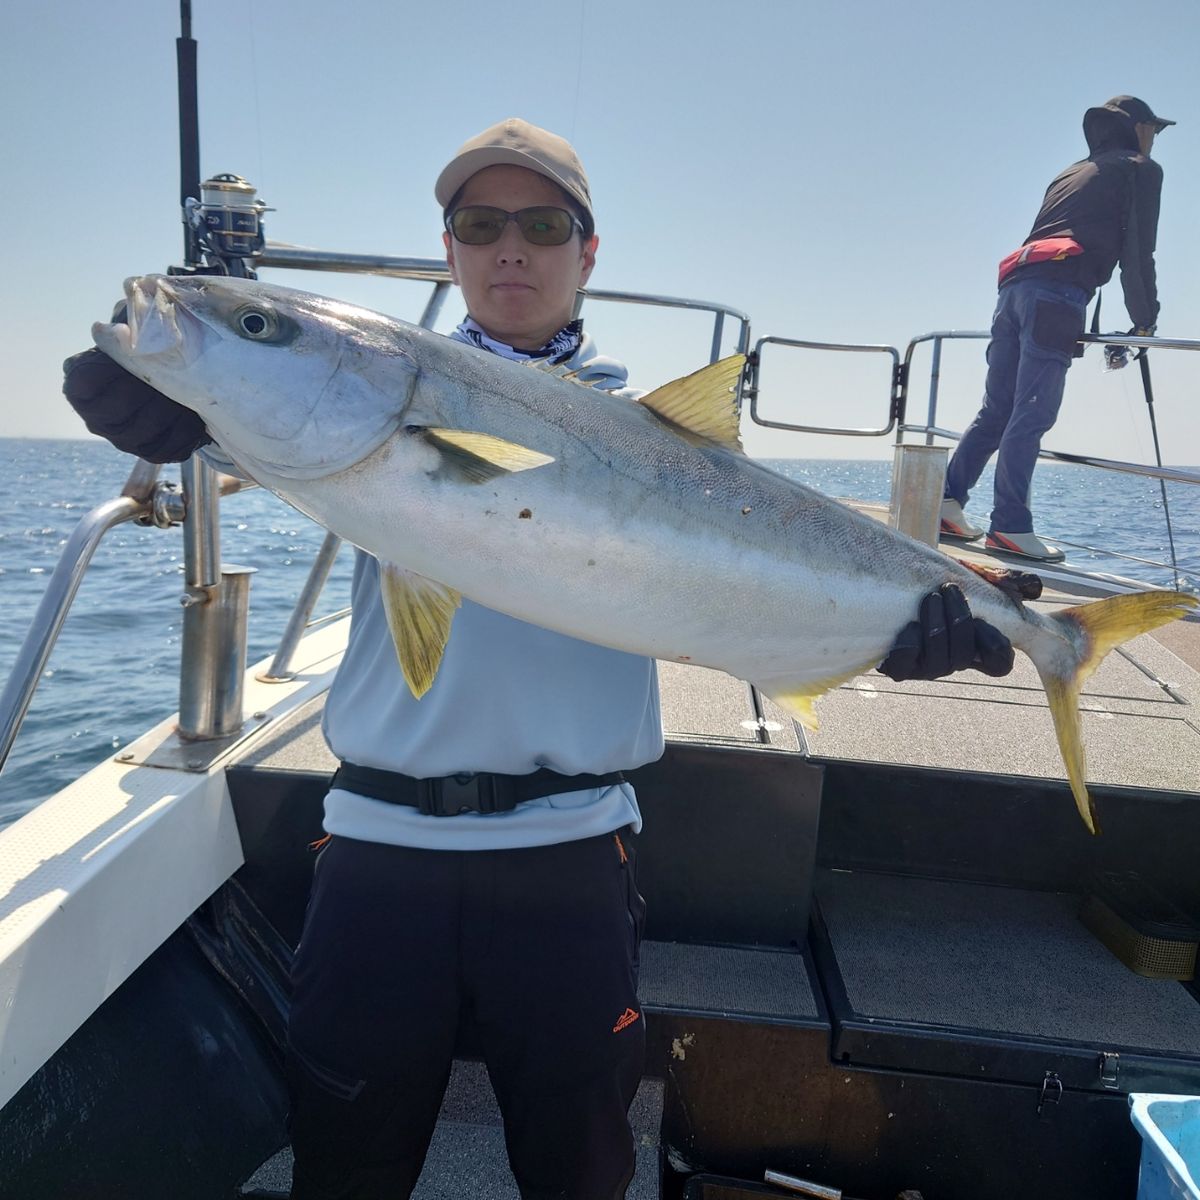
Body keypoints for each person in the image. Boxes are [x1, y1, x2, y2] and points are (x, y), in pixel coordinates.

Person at [63, 118, 1014, 1199]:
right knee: (344, 1165)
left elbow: (760, 569)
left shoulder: (638, 427)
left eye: (542, 223)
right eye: (479, 223)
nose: (510, 246)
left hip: (570, 856)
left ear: (587, 251)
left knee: (579, 1168)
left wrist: (889, 624)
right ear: (452, 250)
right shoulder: (366, 407)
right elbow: (274, 422)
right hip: (378, 856)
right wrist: (177, 396)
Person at [940, 95, 1173, 562]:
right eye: (1155, 130)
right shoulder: (1141, 168)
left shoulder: (1071, 172)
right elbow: (1137, 252)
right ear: (1138, 128)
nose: (1156, 139)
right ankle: (1009, 526)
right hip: (1057, 297)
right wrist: (1145, 318)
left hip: (1013, 292)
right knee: (1032, 411)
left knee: (997, 409)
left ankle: (945, 504)